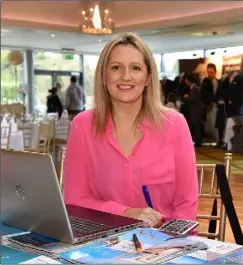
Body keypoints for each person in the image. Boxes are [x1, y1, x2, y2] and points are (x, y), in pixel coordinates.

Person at [63, 33, 198, 228]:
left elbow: (186, 205)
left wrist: (168, 243)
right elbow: (75, 201)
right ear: (103, 75)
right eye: (116, 68)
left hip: (163, 245)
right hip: (100, 243)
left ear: (147, 77)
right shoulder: (82, 125)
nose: (126, 76)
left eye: (135, 68)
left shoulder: (174, 124)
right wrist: (124, 213)